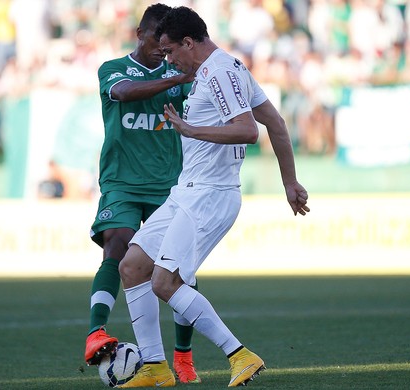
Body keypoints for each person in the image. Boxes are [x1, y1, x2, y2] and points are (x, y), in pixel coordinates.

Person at [117, 6, 310, 388]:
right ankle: (155, 367)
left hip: (210, 195)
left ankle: (239, 354)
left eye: (171, 51)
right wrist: (289, 182)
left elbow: (249, 131)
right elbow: (276, 123)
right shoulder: (227, 68)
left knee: (164, 283)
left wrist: (189, 128)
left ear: (189, 42)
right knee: (132, 267)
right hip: (186, 191)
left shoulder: (220, 72)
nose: (169, 60)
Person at [84, 3, 201, 384]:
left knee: (179, 268)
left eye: (166, 44)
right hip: (122, 182)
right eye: (156, 40)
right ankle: (96, 333)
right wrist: (172, 80)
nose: (160, 49)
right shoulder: (113, 69)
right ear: (140, 33)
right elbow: (125, 93)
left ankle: (182, 355)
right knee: (116, 245)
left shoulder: (180, 69)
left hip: (170, 185)